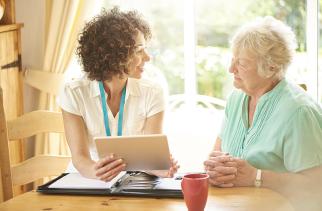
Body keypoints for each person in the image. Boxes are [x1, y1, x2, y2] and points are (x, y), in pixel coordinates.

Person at [204, 16, 322, 209]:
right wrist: (214, 169)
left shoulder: (299, 112)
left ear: (271, 67)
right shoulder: (236, 98)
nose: (230, 69)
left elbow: (317, 188)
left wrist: (257, 177)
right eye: (232, 59)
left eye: (241, 63)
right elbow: (216, 154)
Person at [58, 7, 179, 181]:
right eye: (139, 50)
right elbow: (80, 158)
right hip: (88, 181)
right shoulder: (74, 93)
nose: (147, 57)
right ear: (113, 55)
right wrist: (96, 171)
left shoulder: (153, 92)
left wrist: (160, 168)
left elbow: (150, 158)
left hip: (134, 181)